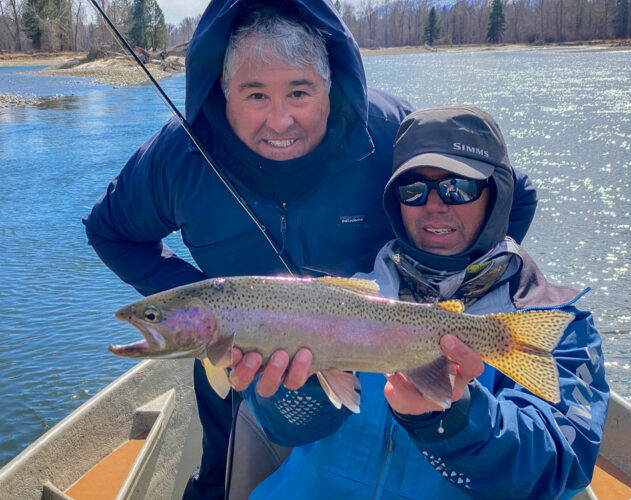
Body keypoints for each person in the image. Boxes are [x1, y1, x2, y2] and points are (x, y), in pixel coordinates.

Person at [83, 1, 537, 497]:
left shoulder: (388, 131)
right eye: (256, 94)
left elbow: (510, 195)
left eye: (299, 92)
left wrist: (438, 301)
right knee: (223, 466)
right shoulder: (178, 155)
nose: (280, 122)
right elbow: (110, 231)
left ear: (329, 88)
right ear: (223, 91)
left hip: (382, 353)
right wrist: (193, 301)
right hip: (239, 363)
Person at [236, 106, 610, 499]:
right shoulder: (342, 291)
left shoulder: (557, 320)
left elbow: (562, 468)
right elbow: (286, 429)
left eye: (458, 187)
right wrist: (299, 387)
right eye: (413, 190)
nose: (434, 205)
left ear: (497, 194)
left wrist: (455, 419)